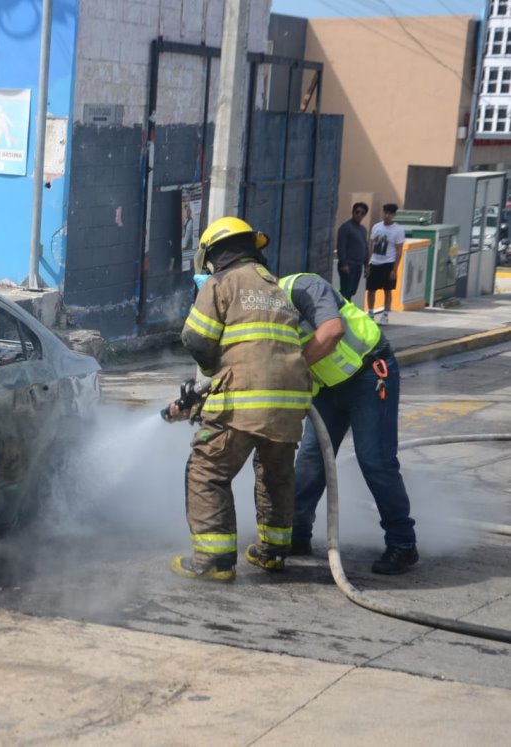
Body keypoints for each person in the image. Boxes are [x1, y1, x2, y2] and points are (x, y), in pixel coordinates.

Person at [167, 217, 312, 582]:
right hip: (291, 403)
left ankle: (214, 561)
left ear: (214, 254)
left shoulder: (222, 283)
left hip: (245, 401)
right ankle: (273, 553)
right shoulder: (276, 288)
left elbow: (196, 340)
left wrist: (214, 370)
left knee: (207, 471)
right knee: (276, 475)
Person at [280, 272, 419, 574]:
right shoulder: (254, 310)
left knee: (375, 460)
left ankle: (403, 544)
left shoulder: (302, 286)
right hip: (327, 390)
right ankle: (296, 536)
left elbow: (332, 331)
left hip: (369, 375)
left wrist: (292, 370)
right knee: (310, 461)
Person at [366, 203, 405, 325]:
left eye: (389, 213)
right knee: (371, 289)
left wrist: (394, 269)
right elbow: (371, 245)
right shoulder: (376, 227)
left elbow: (399, 251)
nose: (387, 215)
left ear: (393, 215)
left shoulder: (398, 230)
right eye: (385, 212)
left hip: (388, 263)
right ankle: (371, 313)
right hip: (375, 262)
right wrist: (367, 264)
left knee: (387, 290)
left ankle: (385, 315)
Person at [336, 202, 368, 301]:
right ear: (353, 212)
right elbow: (341, 246)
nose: (359, 215)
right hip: (349, 264)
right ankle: (341, 313)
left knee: (352, 291)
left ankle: (345, 312)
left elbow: (365, 247)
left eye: (362, 213)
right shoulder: (345, 228)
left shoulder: (363, 229)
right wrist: (344, 264)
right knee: (346, 291)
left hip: (358, 265)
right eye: (357, 212)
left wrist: (367, 265)